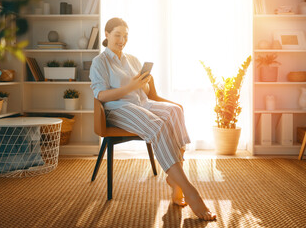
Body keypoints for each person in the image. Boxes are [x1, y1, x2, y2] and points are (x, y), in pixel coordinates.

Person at [90, 17, 216, 221]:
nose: (122, 40)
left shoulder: (132, 59)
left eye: (125, 36)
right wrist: (129, 87)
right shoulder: (100, 62)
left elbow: (147, 93)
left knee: (175, 111)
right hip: (117, 109)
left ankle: (175, 182)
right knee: (157, 125)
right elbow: (101, 95)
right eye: (117, 35)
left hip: (142, 104)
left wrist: (143, 83)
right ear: (106, 34)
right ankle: (189, 191)